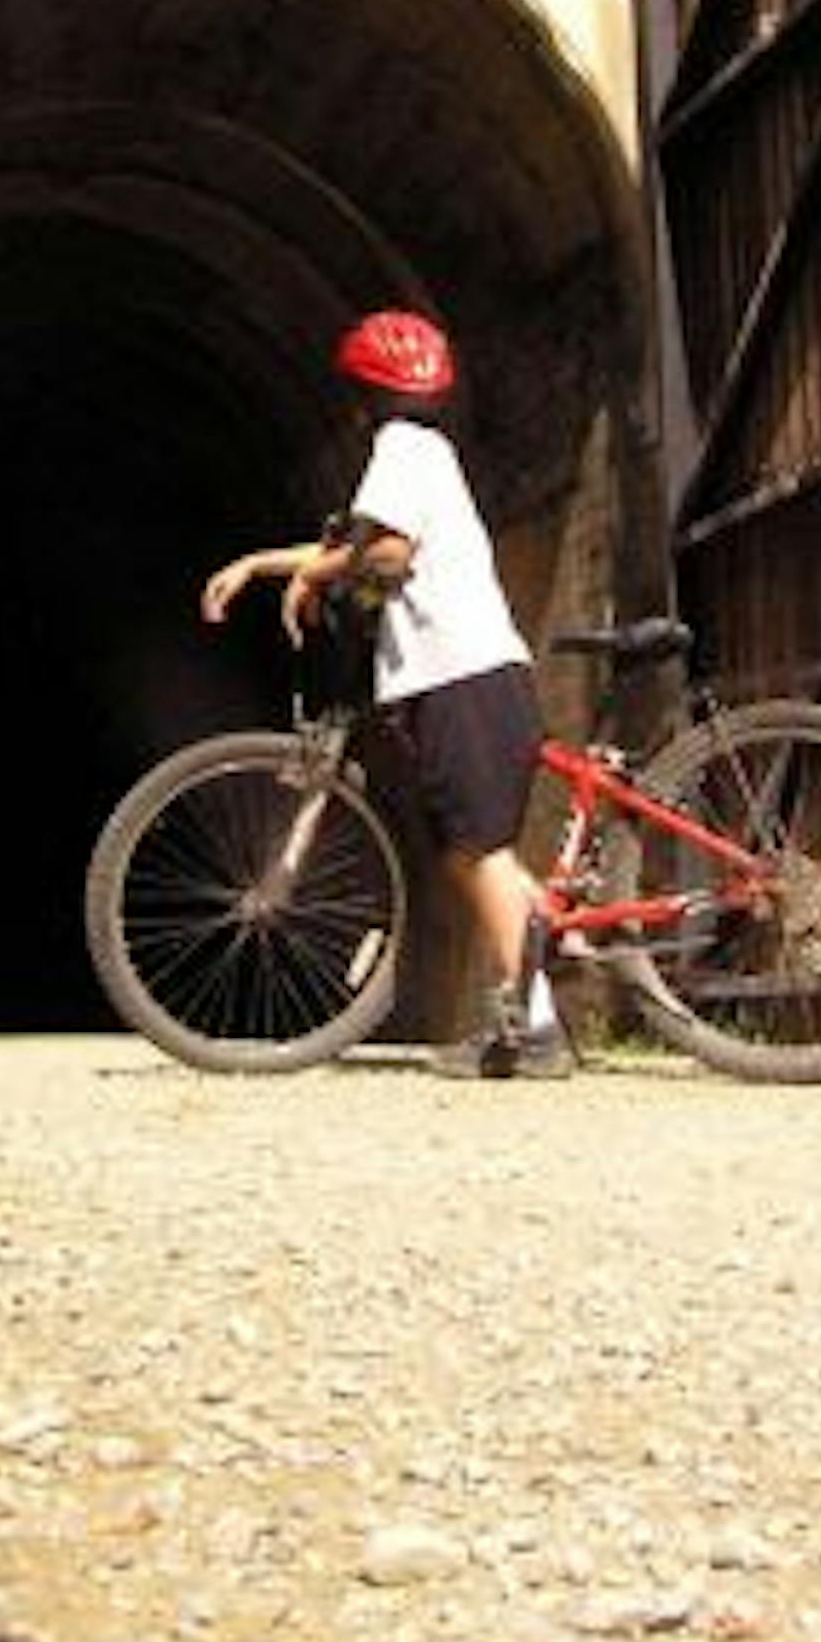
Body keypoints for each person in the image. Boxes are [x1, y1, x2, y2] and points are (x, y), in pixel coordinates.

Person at [200, 308, 570, 1078]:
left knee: (480, 850)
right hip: (468, 674)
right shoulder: (424, 454)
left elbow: (389, 554)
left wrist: (307, 575)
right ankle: (532, 1007)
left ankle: (537, 1036)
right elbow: (359, 546)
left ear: (361, 392)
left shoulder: (399, 450)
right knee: (472, 852)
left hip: (457, 673)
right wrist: (267, 563)